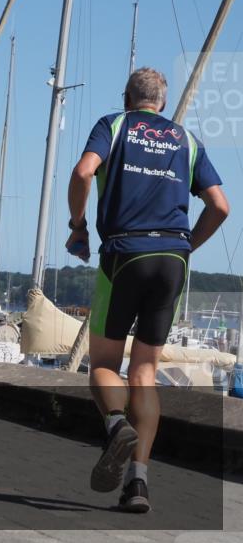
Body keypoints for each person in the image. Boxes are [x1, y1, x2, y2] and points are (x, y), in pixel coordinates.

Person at [66, 68, 229, 513]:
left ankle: (116, 424)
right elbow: (220, 206)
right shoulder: (186, 141)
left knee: (103, 364)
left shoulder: (114, 125)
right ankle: (138, 483)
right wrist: (187, 246)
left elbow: (83, 173)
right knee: (144, 373)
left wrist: (78, 227)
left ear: (127, 97)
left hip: (124, 254)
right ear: (163, 100)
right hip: (173, 260)